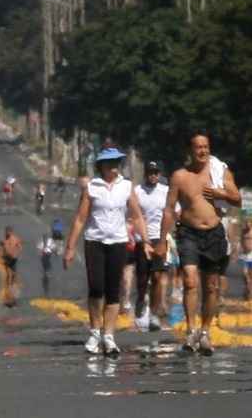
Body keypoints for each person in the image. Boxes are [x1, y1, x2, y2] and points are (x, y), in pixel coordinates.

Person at [155, 131, 241, 355]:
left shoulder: (219, 172)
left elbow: (237, 199)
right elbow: (168, 209)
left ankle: (205, 331)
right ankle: (191, 330)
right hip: (189, 234)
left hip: (213, 233)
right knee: (191, 281)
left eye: (206, 147)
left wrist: (218, 192)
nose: (203, 151)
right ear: (190, 151)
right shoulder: (180, 177)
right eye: (198, 147)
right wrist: (162, 240)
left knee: (211, 286)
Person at [64, 146, 151, 355]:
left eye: (117, 163)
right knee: (96, 288)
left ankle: (109, 336)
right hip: (95, 241)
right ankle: (95, 332)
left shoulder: (126, 186)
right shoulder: (92, 187)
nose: (114, 167)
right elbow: (80, 219)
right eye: (109, 163)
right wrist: (69, 247)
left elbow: (137, 216)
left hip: (118, 242)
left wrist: (145, 241)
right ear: (101, 166)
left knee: (114, 290)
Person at [133, 161, 170, 331]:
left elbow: (173, 213)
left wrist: (170, 234)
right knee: (142, 278)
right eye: (150, 172)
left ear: (160, 173)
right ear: (145, 174)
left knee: (157, 277)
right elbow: (132, 216)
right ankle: (141, 299)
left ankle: (154, 313)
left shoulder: (165, 191)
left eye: (156, 172)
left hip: (160, 238)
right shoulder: (137, 191)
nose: (153, 175)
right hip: (142, 239)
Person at [1, 226, 23, 307]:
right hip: (7, 259)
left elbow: (20, 247)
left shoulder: (14, 238)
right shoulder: (5, 240)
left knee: (13, 275)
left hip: (13, 259)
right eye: (6, 232)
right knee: (8, 275)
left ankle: (13, 294)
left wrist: (16, 253)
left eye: (8, 232)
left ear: (11, 232)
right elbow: (4, 249)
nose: (6, 233)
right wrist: (3, 256)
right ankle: (9, 292)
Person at [239, 223, 252, 301]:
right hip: (245, 256)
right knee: (246, 276)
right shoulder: (244, 231)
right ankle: (247, 293)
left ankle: (249, 294)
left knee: (249, 276)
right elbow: (241, 241)